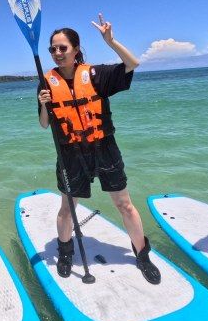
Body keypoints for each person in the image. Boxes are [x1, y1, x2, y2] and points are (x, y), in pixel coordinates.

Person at [37, 15, 161, 285]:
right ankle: (66, 251)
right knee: (67, 209)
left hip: (104, 148)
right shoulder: (46, 83)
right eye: (52, 49)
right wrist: (44, 103)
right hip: (70, 153)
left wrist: (111, 41)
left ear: (76, 49)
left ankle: (142, 254)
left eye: (63, 48)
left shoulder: (96, 75)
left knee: (124, 204)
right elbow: (44, 124)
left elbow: (132, 64)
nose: (57, 53)